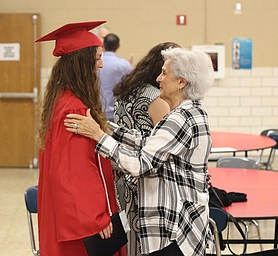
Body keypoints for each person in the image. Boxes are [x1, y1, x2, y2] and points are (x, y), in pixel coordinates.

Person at [64, 47, 214, 256]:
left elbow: (141, 164)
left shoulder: (180, 119)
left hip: (176, 231)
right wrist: (105, 127)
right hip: (184, 227)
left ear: (182, 82)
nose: (158, 78)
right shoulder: (191, 112)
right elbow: (148, 143)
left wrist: (99, 136)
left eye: (164, 73)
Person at [36, 20, 125, 256]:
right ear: (81, 61)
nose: (101, 64)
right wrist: (96, 218)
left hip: (67, 214)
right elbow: (75, 172)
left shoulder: (62, 100)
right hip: (81, 224)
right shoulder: (73, 110)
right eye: (96, 57)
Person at [113, 42, 181, 256]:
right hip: (145, 181)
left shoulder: (126, 91)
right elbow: (165, 146)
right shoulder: (156, 98)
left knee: (128, 238)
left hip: (121, 175)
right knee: (146, 244)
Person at [99, 33, 133, 121]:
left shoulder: (93, 63)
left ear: (103, 45)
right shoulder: (124, 65)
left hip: (96, 112)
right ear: (119, 46)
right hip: (116, 114)